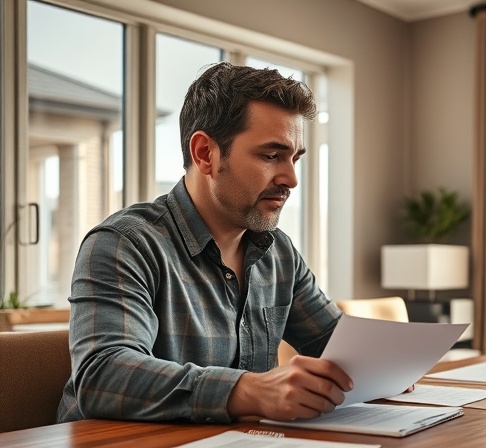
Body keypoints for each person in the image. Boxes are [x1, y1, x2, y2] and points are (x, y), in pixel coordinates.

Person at [57, 62, 352, 424]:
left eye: (294, 158)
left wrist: (390, 365)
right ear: (205, 154)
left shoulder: (279, 252)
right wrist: (249, 391)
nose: (291, 178)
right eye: (272, 155)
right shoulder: (124, 244)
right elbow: (103, 375)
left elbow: (338, 345)